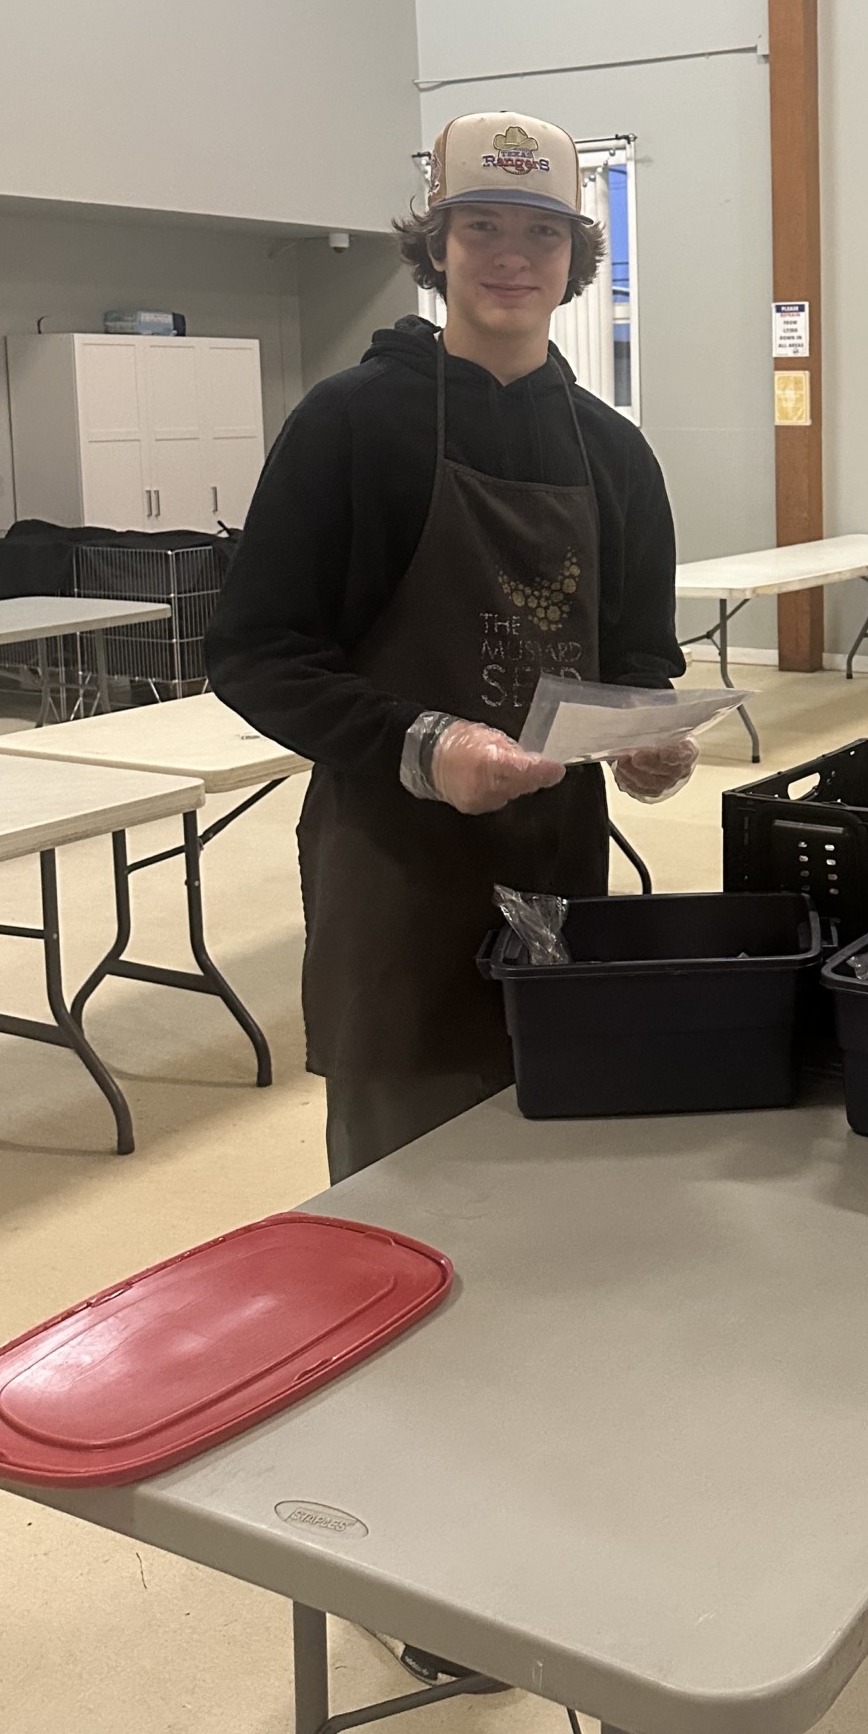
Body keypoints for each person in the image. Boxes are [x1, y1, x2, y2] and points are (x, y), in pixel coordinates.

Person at [208, 112, 695, 1189]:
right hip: (392, 861)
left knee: (551, 1142)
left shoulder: (615, 454)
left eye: (542, 232)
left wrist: (649, 740)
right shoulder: (348, 424)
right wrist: (425, 747)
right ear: (437, 245)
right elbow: (252, 648)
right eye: (482, 226)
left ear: (577, 259)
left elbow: (637, 658)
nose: (513, 256)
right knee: (403, 1168)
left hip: (559, 858)